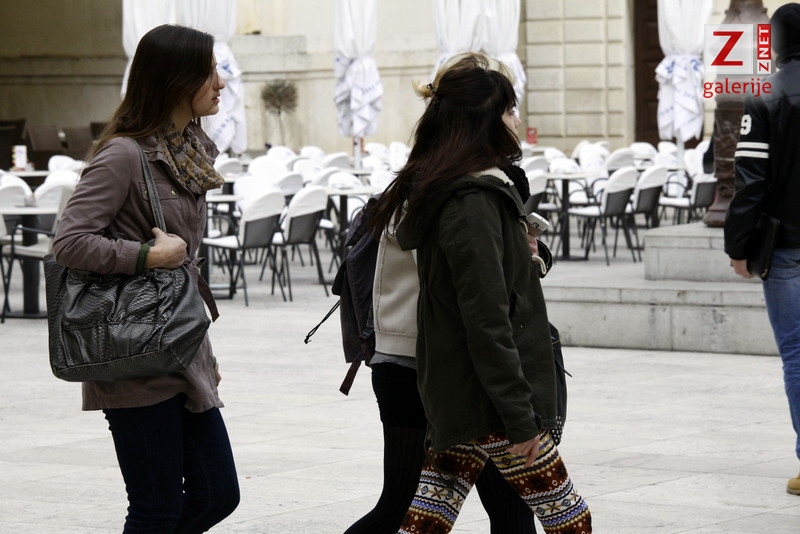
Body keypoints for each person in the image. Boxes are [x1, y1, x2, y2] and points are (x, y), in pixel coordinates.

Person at [367, 52, 591, 533]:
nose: (517, 120)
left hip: (461, 391)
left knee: (426, 522)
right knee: (570, 522)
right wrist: (520, 417)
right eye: (509, 111)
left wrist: (524, 254)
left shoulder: (454, 188)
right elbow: (486, 318)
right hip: (480, 397)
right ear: (484, 121)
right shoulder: (471, 201)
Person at [52, 24, 240, 531]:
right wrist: (147, 256)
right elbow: (69, 242)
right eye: (209, 72)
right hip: (132, 350)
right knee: (156, 506)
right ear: (176, 79)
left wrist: (202, 351)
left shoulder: (188, 149)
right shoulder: (123, 154)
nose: (221, 82)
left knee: (217, 494)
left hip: (179, 340)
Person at [725, 3, 800, 496]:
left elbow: (750, 181)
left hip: (787, 248)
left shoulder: (766, 94)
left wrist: (739, 245)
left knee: (797, 354)